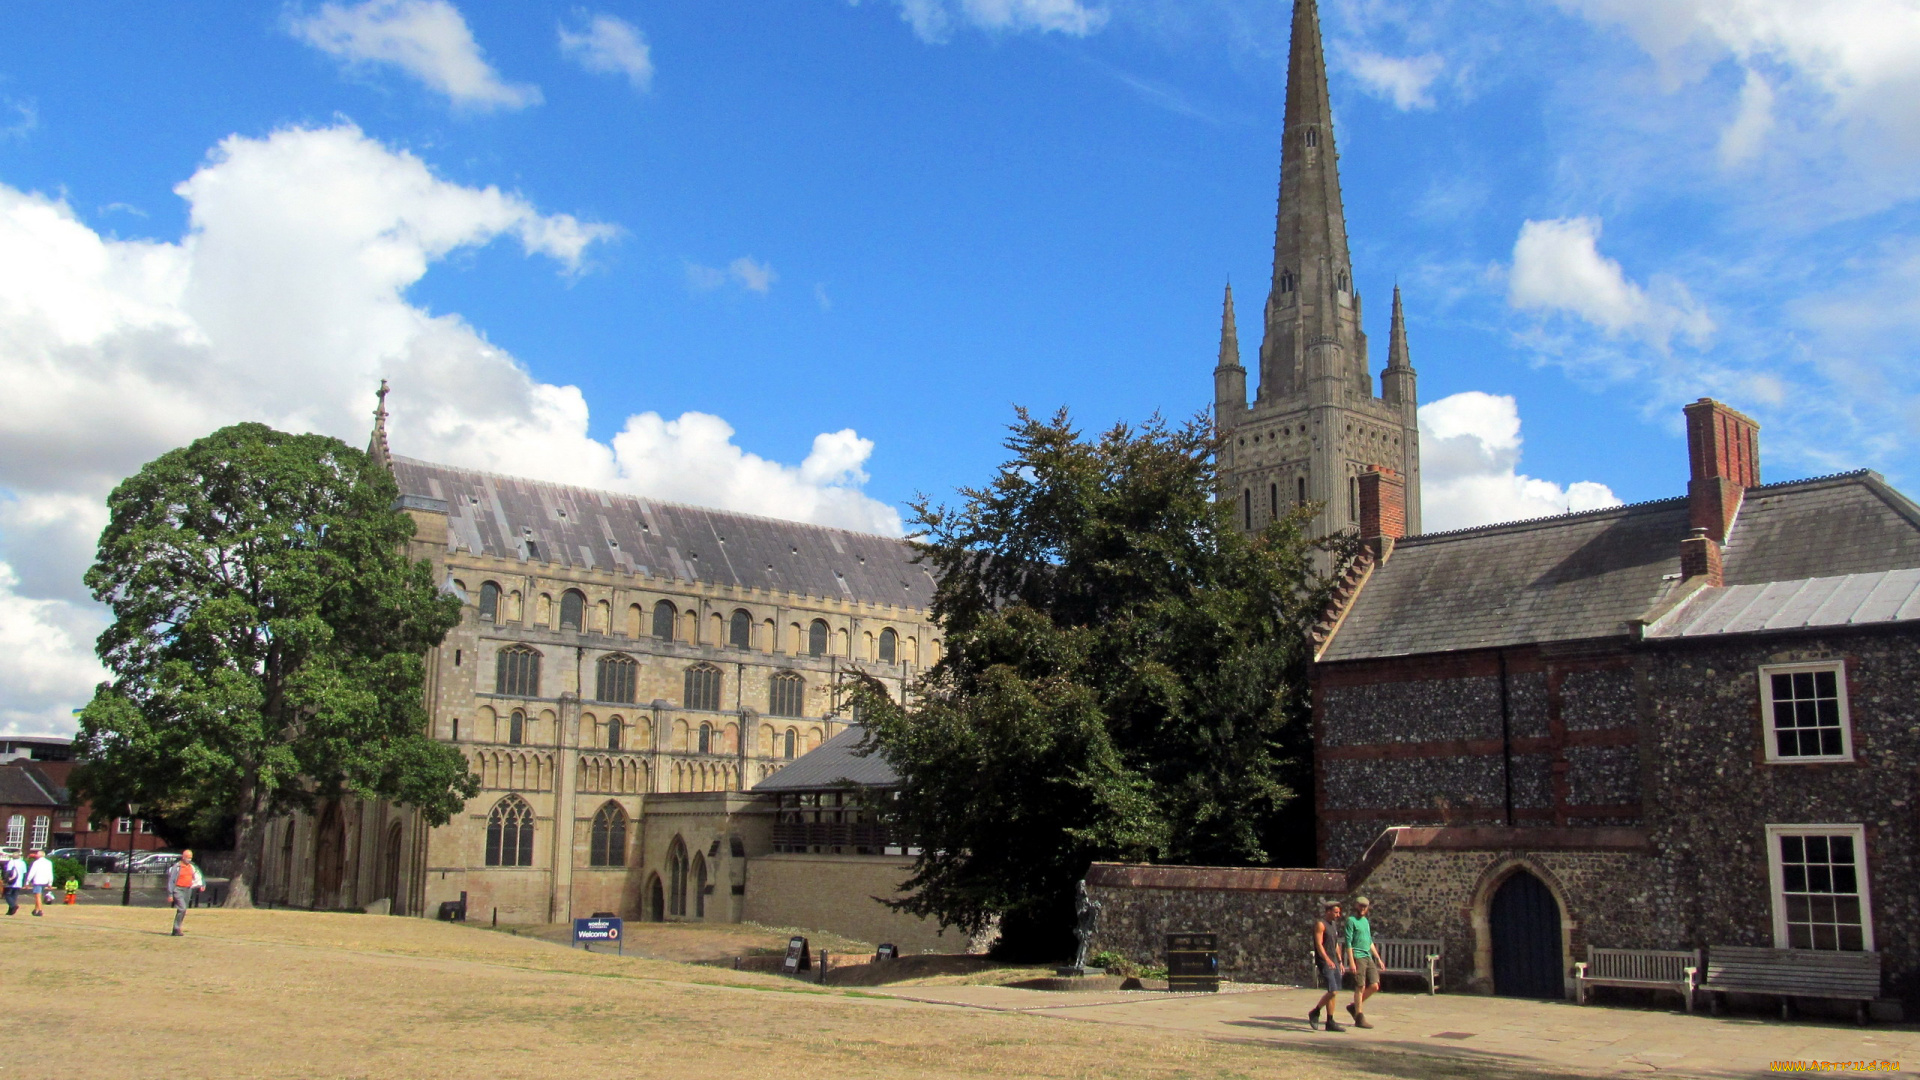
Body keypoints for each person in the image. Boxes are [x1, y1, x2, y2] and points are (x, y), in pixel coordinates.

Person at [1309, 899, 1347, 1031]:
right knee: (1333, 990)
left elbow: (1335, 944)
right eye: (1336, 912)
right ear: (1328, 911)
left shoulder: (1333, 925)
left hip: (1334, 961)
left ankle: (1330, 1021)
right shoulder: (1321, 924)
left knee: (1334, 992)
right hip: (1325, 961)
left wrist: (1340, 961)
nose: (1338, 915)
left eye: (1339, 912)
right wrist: (1327, 960)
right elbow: (1319, 944)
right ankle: (1315, 1012)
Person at [1343, 896, 1380, 1028]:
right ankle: (1359, 1017)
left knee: (1375, 985)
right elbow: (1348, 942)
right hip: (1358, 956)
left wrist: (1378, 958)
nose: (1363, 908)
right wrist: (1351, 961)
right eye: (1360, 906)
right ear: (1356, 906)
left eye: (1365, 907)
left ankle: (1354, 1007)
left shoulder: (1365, 922)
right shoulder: (1351, 921)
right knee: (1360, 986)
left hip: (1368, 956)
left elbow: (1369, 941)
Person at [168, 849, 205, 936]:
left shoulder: (192, 866)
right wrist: (170, 894)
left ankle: (176, 929)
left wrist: (202, 884)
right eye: (188, 857)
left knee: (183, 910)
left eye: (190, 857)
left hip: (187, 889)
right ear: (183, 857)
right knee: (182, 908)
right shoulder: (177, 867)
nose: (189, 859)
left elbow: (198, 875)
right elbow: (171, 880)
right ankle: (176, 928)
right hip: (178, 889)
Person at [24, 848, 54, 916]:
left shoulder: (36, 863)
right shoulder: (49, 863)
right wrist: (50, 883)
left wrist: (27, 882)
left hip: (38, 881)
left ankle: (40, 910)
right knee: (39, 896)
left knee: (38, 896)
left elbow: (32, 873)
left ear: (39, 855)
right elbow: (50, 873)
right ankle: (36, 909)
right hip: (45, 881)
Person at [2, 851, 24, 915]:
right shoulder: (22, 863)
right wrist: (25, 882)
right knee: (14, 896)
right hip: (19, 881)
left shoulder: (11, 862)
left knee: (7, 895)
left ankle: (13, 906)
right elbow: (24, 873)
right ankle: (11, 911)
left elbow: (8, 872)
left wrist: (5, 880)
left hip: (11, 881)